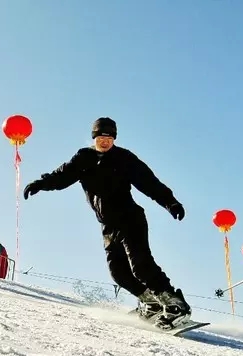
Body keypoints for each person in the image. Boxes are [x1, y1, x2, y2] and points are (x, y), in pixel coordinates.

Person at [22, 117, 189, 330]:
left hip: (130, 219)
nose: (105, 141)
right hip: (108, 226)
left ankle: (175, 303)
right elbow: (62, 176)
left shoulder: (125, 158)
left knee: (140, 265)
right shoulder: (84, 158)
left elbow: (149, 182)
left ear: (114, 139)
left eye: (109, 138)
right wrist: (40, 184)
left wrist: (170, 202)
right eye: (101, 137)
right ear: (94, 137)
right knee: (118, 273)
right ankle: (151, 303)